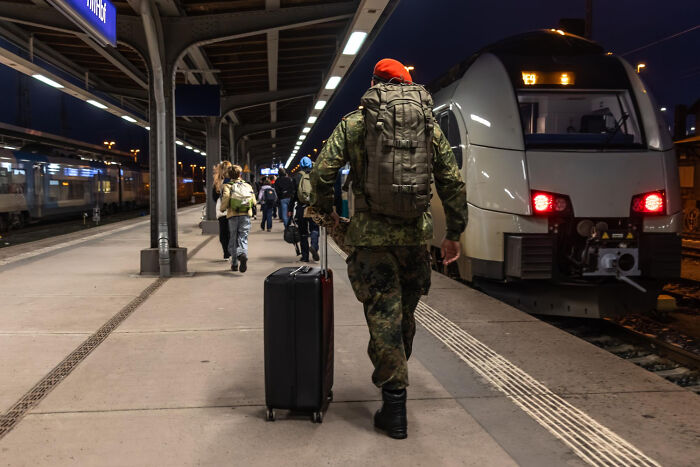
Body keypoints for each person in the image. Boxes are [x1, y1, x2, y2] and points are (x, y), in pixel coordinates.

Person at [308, 58, 468, 439]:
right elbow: (451, 180)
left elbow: (322, 173)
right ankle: (395, 377)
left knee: (384, 318)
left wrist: (326, 209)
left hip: (370, 240)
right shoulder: (427, 126)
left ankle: (394, 405)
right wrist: (454, 232)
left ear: (375, 84)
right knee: (403, 318)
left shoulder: (356, 122)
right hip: (414, 239)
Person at [219, 164, 255, 272]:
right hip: (245, 214)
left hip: (233, 215)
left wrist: (222, 208)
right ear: (240, 174)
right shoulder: (247, 186)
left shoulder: (227, 186)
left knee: (233, 239)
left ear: (229, 175)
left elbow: (225, 198)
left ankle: (234, 264)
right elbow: (254, 201)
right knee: (243, 237)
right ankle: (242, 254)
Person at [290, 156, 319, 262]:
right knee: (314, 229)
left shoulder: (297, 176)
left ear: (301, 165)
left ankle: (305, 256)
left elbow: (293, 195)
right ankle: (314, 247)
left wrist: (289, 209)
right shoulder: (315, 174)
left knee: (303, 232)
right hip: (314, 207)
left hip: (301, 207)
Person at [213, 161, 232, 260]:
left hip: (222, 211)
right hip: (234, 210)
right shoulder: (235, 179)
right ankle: (233, 252)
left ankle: (226, 253)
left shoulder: (218, 182)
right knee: (232, 232)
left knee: (223, 234)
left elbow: (214, 197)